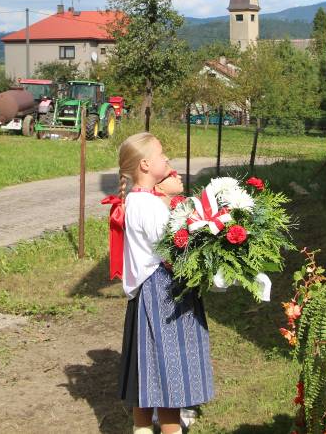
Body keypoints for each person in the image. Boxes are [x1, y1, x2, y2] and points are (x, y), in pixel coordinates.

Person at [112, 132, 213, 434]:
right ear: (145, 165)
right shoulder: (147, 205)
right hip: (162, 292)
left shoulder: (139, 200)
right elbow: (173, 246)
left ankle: (143, 428)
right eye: (162, 155)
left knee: (150, 369)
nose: (167, 160)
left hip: (155, 290)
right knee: (167, 371)